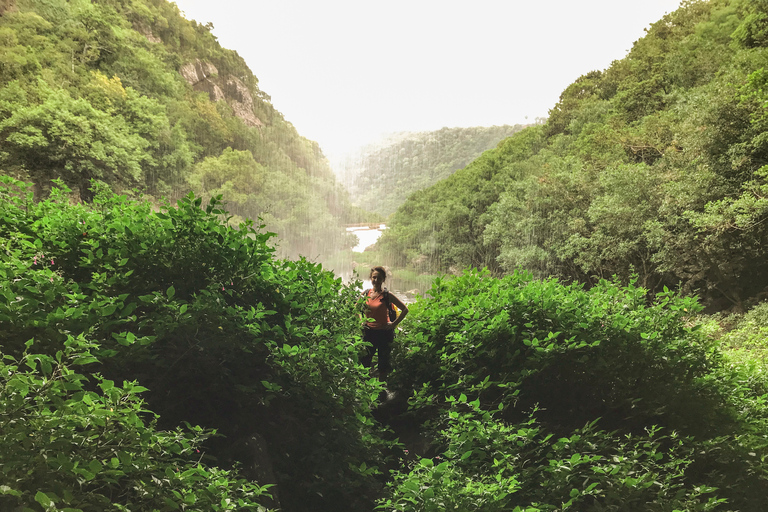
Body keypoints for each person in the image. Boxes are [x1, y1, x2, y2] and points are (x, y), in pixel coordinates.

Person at [361, 266, 408, 383]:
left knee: (383, 363)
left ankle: (381, 389)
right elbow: (357, 308)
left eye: (379, 278)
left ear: (383, 280)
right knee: (365, 361)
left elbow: (405, 309)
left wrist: (393, 324)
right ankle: (366, 389)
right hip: (368, 332)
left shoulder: (387, 295)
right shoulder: (366, 293)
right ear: (370, 278)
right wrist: (361, 320)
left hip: (384, 333)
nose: (376, 280)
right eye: (374, 277)